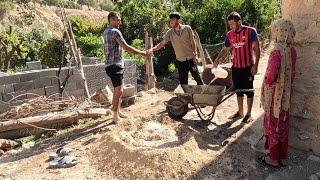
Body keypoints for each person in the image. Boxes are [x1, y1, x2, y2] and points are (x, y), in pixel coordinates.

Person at [259, 19, 297, 167]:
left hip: (274, 96)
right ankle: (283, 157)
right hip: (286, 95)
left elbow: (270, 78)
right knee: (283, 124)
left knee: (273, 123)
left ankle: (273, 158)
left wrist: (267, 83)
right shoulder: (292, 51)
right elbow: (291, 74)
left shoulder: (276, 52)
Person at [213, 11, 260, 123]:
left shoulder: (250, 31)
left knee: (249, 90)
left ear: (239, 22)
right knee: (238, 90)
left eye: (232, 24)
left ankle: (248, 113)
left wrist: (256, 65)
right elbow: (225, 49)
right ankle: (240, 112)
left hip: (248, 66)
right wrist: (218, 59)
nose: (231, 26)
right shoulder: (230, 34)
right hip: (236, 67)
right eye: (229, 24)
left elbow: (257, 49)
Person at [103, 12, 148, 123]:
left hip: (111, 65)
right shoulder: (115, 31)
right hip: (115, 65)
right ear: (112, 20)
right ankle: (114, 116)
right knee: (119, 90)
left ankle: (117, 111)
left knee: (119, 90)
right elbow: (126, 47)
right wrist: (143, 53)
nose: (120, 22)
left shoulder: (106, 31)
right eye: (118, 20)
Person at [147, 12, 203, 86]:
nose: (171, 21)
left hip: (191, 59)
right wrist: (152, 49)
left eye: (173, 19)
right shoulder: (169, 33)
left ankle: (203, 95)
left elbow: (193, 42)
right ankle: (186, 96)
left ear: (178, 20)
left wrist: (195, 54)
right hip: (180, 61)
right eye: (170, 20)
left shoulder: (187, 28)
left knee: (197, 78)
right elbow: (162, 43)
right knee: (183, 83)